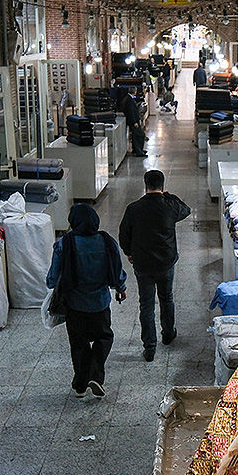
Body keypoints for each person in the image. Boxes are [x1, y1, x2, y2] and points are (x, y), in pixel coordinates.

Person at [47, 203, 127, 398]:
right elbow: (117, 270)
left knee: (79, 343)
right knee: (104, 337)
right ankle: (96, 377)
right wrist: (121, 288)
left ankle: (80, 386)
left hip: (74, 305)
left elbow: (52, 279)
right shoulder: (107, 241)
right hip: (100, 302)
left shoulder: (64, 244)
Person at [118, 170, 192, 361]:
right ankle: (168, 334)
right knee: (166, 298)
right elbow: (186, 209)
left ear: (145, 185)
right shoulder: (169, 206)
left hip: (142, 264)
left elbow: (123, 235)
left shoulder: (134, 209)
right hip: (166, 263)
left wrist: (129, 253)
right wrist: (167, 195)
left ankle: (150, 347)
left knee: (146, 304)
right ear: (163, 186)